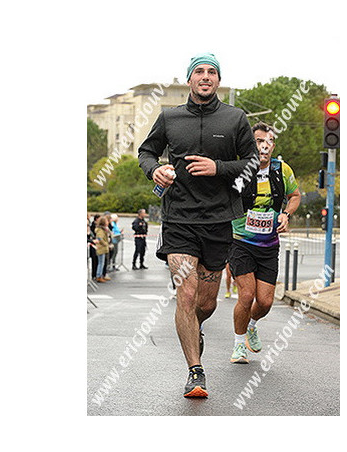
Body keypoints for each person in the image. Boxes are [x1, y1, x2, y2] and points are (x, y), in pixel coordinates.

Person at [138, 53, 258, 397]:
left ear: (218, 80)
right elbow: (146, 152)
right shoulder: (170, 117)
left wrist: (218, 168)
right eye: (199, 72)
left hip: (218, 219)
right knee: (186, 294)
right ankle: (195, 370)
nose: (205, 76)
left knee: (205, 304)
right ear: (189, 79)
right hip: (179, 219)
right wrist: (155, 170)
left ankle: (194, 327)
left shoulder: (235, 118)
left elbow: (252, 163)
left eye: (211, 72)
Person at [228, 121, 301, 363]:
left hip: (269, 245)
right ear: (251, 144)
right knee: (246, 295)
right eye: (259, 141)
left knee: (266, 302)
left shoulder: (281, 170)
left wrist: (286, 214)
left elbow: (295, 195)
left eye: (269, 141)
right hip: (240, 241)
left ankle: (251, 325)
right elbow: (224, 196)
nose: (264, 146)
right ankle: (239, 345)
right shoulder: (241, 169)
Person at [95, 216, 110, 283]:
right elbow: (100, 238)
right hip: (101, 248)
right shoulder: (100, 230)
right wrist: (105, 243)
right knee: (101, 263)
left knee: (102, 263)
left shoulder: (103, 229)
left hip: (103, 248)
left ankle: (101, 275)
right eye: (106, 221)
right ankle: (98, 276)